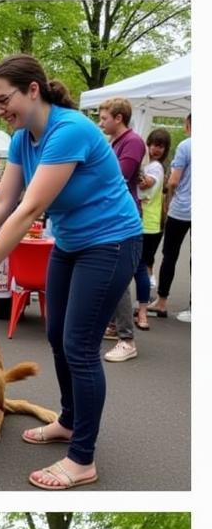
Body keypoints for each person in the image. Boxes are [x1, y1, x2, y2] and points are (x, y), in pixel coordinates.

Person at [0, 55, 142, 491]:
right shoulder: (20, 140)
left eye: (4, 100)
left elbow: (29, 207)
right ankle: (70, 422)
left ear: (33, 90)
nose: (0, 111)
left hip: (112, 242)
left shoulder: (68, 131)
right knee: (56, 337)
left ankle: (82, 459)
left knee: (80, 346)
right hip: (70, 243)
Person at [97, 98, 147, 364]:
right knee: (112, 275)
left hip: (122, 220)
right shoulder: (116, 142)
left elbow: (119, 176)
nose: (101, 122)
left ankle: (127, 340)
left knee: (119, 278)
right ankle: (117, 327)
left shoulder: (133, 142)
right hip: (111, 217)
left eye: (104, 118)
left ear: (119, 118)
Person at [152, 114, 190, 323]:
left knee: (170, 255)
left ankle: (162, 301)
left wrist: (167, 202)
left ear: (188, 125)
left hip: (182, 209)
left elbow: (174, 180)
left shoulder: (185, 145)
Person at [134, 128, 171, 328]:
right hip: (150, 223)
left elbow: (147, 184)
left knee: (140, 266)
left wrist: (134, 171)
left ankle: (143, 308)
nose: (155, 149)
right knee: (143, 266)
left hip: (147, 223)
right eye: (153, 144)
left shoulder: (155, 167)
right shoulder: (154, 165)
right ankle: (143, 307)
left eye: (160, 146)